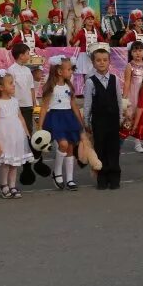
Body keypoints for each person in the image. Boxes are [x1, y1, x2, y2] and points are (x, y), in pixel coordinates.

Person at [0, 70, 34, 199]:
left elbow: (20, 117)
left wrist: (26, 133)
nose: (13, 85)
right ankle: (3, 185)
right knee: (6, 162)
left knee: (15, 162)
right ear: (1, 87)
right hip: (3, 135)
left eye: (13, 83)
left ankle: (12, 185)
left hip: (16, 134)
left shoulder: (15, 101)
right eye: (10, 83)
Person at [40, 56, 85, 191]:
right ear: (59, 71)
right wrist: (40, 127)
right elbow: (44, 107)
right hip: (56, 118)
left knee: (70, 148)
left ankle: (70, 179)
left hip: (68, 118)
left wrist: (80, 122)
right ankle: (57, 171)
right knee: (63, 144)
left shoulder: (69, 86)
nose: (71, 72)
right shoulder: (51, 87)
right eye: (69, 69)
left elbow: (74, 105)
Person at [82, 43, 122, 190]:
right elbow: (87, 103)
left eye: (105, 60)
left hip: (113, 120)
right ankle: (102, 177)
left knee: (113, 148)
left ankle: (114, 176)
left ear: (109, 61)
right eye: (98, 60)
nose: (102, 63)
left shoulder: (115, 79)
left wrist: (121, 117)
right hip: (98, 121)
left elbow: (118, 99)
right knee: (100, 148)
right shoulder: (90, 81)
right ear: (93, 62)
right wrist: (86, 120)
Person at [123, 41, 143, 153]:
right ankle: (137, 143)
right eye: (135, 51)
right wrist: (125, 98)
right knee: (135, 118)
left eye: (140, 50)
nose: (138, 53)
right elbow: (127, 82)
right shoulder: (129, 66)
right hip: (134, 94)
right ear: (131, 53)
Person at [7, 43, 38, 132]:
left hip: (28, 104)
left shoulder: (27, 70)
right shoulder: (11, 70)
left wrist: (34, 102)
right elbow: (10, 88)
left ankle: (28, 144)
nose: (29, 56)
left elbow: (31, 87)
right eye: (28, 53)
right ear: (21, 56)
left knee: (29, 127)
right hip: (17, 104)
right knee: (18, 127)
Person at [70, 8, 106, 81]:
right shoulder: (81, 32)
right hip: (84, 56)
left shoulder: (96, 32)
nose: (90, 20)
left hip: (95, 56)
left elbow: (103, 43)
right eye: (88, 19)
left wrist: (108, 38)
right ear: (84, 21)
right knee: (86, 77)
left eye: (92, 19)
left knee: (95, 75)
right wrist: (74, 35)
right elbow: (72, 43)